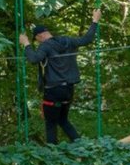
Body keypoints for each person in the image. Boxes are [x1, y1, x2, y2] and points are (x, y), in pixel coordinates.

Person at [21, 8, 101, 144]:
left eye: (36, 40)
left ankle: (53, 153)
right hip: (68, 89)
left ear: (39, 35)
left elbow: (34, 59)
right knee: (62, 120)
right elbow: (87, 39)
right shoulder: (68, 41)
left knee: (51, 123)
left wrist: (26, 44)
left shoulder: (45, 46)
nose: (38, 42)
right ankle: (80, 145)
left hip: (53, 90)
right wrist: (95, 20)